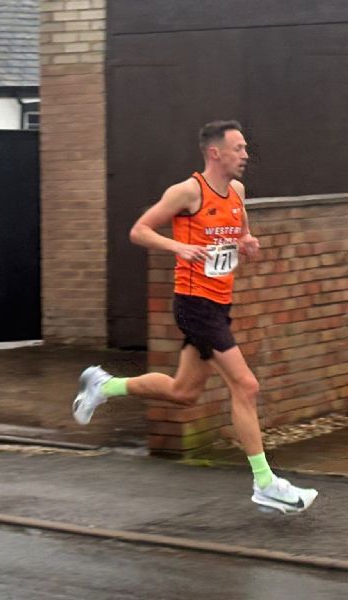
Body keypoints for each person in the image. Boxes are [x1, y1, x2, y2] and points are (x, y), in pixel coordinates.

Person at [73, 120, 317, 514]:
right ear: (215, 152)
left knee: (183, 392)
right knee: (246, 385)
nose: (246, 155)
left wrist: (246, 243)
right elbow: (139, 230)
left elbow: (238, 233)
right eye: (238, 148)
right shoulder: (187, 192)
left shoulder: (236, 192)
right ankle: (265, 482)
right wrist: (178, 248)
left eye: (245, 148)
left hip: (220, 303)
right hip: (194, 304)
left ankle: (105, 386)